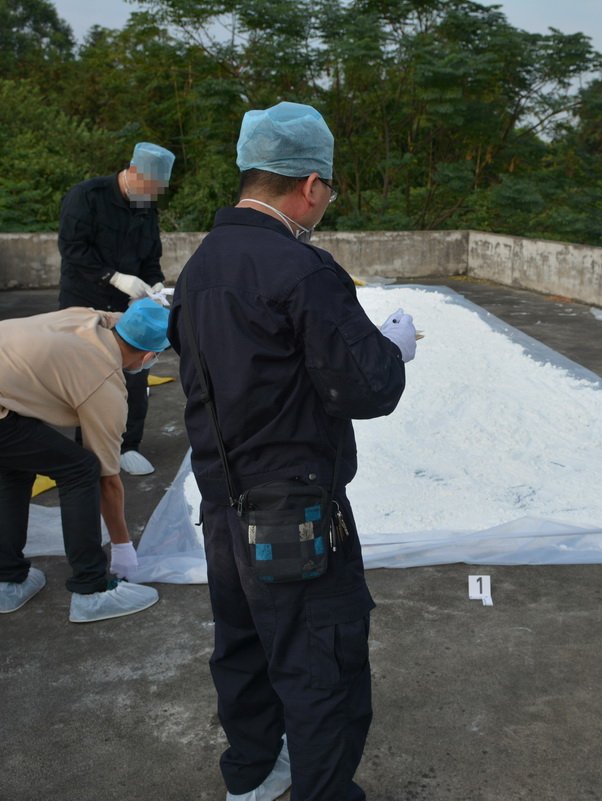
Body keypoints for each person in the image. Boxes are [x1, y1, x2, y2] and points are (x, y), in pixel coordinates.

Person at [170, 101, 416, 801]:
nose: (327, 201)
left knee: (243, 645)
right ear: (310, 184)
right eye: (328, 189)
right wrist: (393, 348)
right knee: (321, 665)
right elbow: (367, 386)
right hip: (295, 511)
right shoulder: (303, 269)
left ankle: (251, 775)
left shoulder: (200, 268)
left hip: (222, 500)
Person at [0, 299, 172, 623]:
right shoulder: (103, 383)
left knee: (17, 465)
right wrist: (123, 546)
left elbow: (123, 319)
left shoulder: (85, 320)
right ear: (148, 357)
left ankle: (9, 581)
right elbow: (108, 480)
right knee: (81, 468)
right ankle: (91, 591)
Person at [58, 141, 176, 477]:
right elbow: (72, 249)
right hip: (85, 300)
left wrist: (154, 284)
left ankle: (129, 445)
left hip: (129, 306)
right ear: (134, 172)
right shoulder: (87, 197)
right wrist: (114, 277)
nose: (152, 196)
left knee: (136, 373)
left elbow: (150, 257)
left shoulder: (145, 208)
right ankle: (90, 450)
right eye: (150, 187)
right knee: (90, 378)